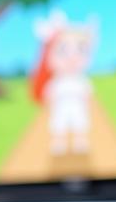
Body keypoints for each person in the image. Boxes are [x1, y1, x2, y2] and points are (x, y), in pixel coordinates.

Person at [31, 10, 97, 155]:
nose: (72, 57)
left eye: (80, 50)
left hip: (77, 106)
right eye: (63, 50)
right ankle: (59, 143)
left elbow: (87, 94)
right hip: (61, 107)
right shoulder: (56, 82)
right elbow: (49, 95)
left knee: (80, 124)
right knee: (58, 125)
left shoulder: (81, 81)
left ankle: (80, 142)